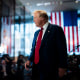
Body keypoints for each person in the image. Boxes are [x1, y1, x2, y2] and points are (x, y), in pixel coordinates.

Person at [25, 10, 67, 80]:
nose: (33, 20)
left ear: (42, 18)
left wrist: (62, 67)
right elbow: (34, 49)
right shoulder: (36, 33)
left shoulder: (56, 29)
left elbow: (62, 49)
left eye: (35, 17)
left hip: (50, 70)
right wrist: (29, 60)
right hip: (36, 69)